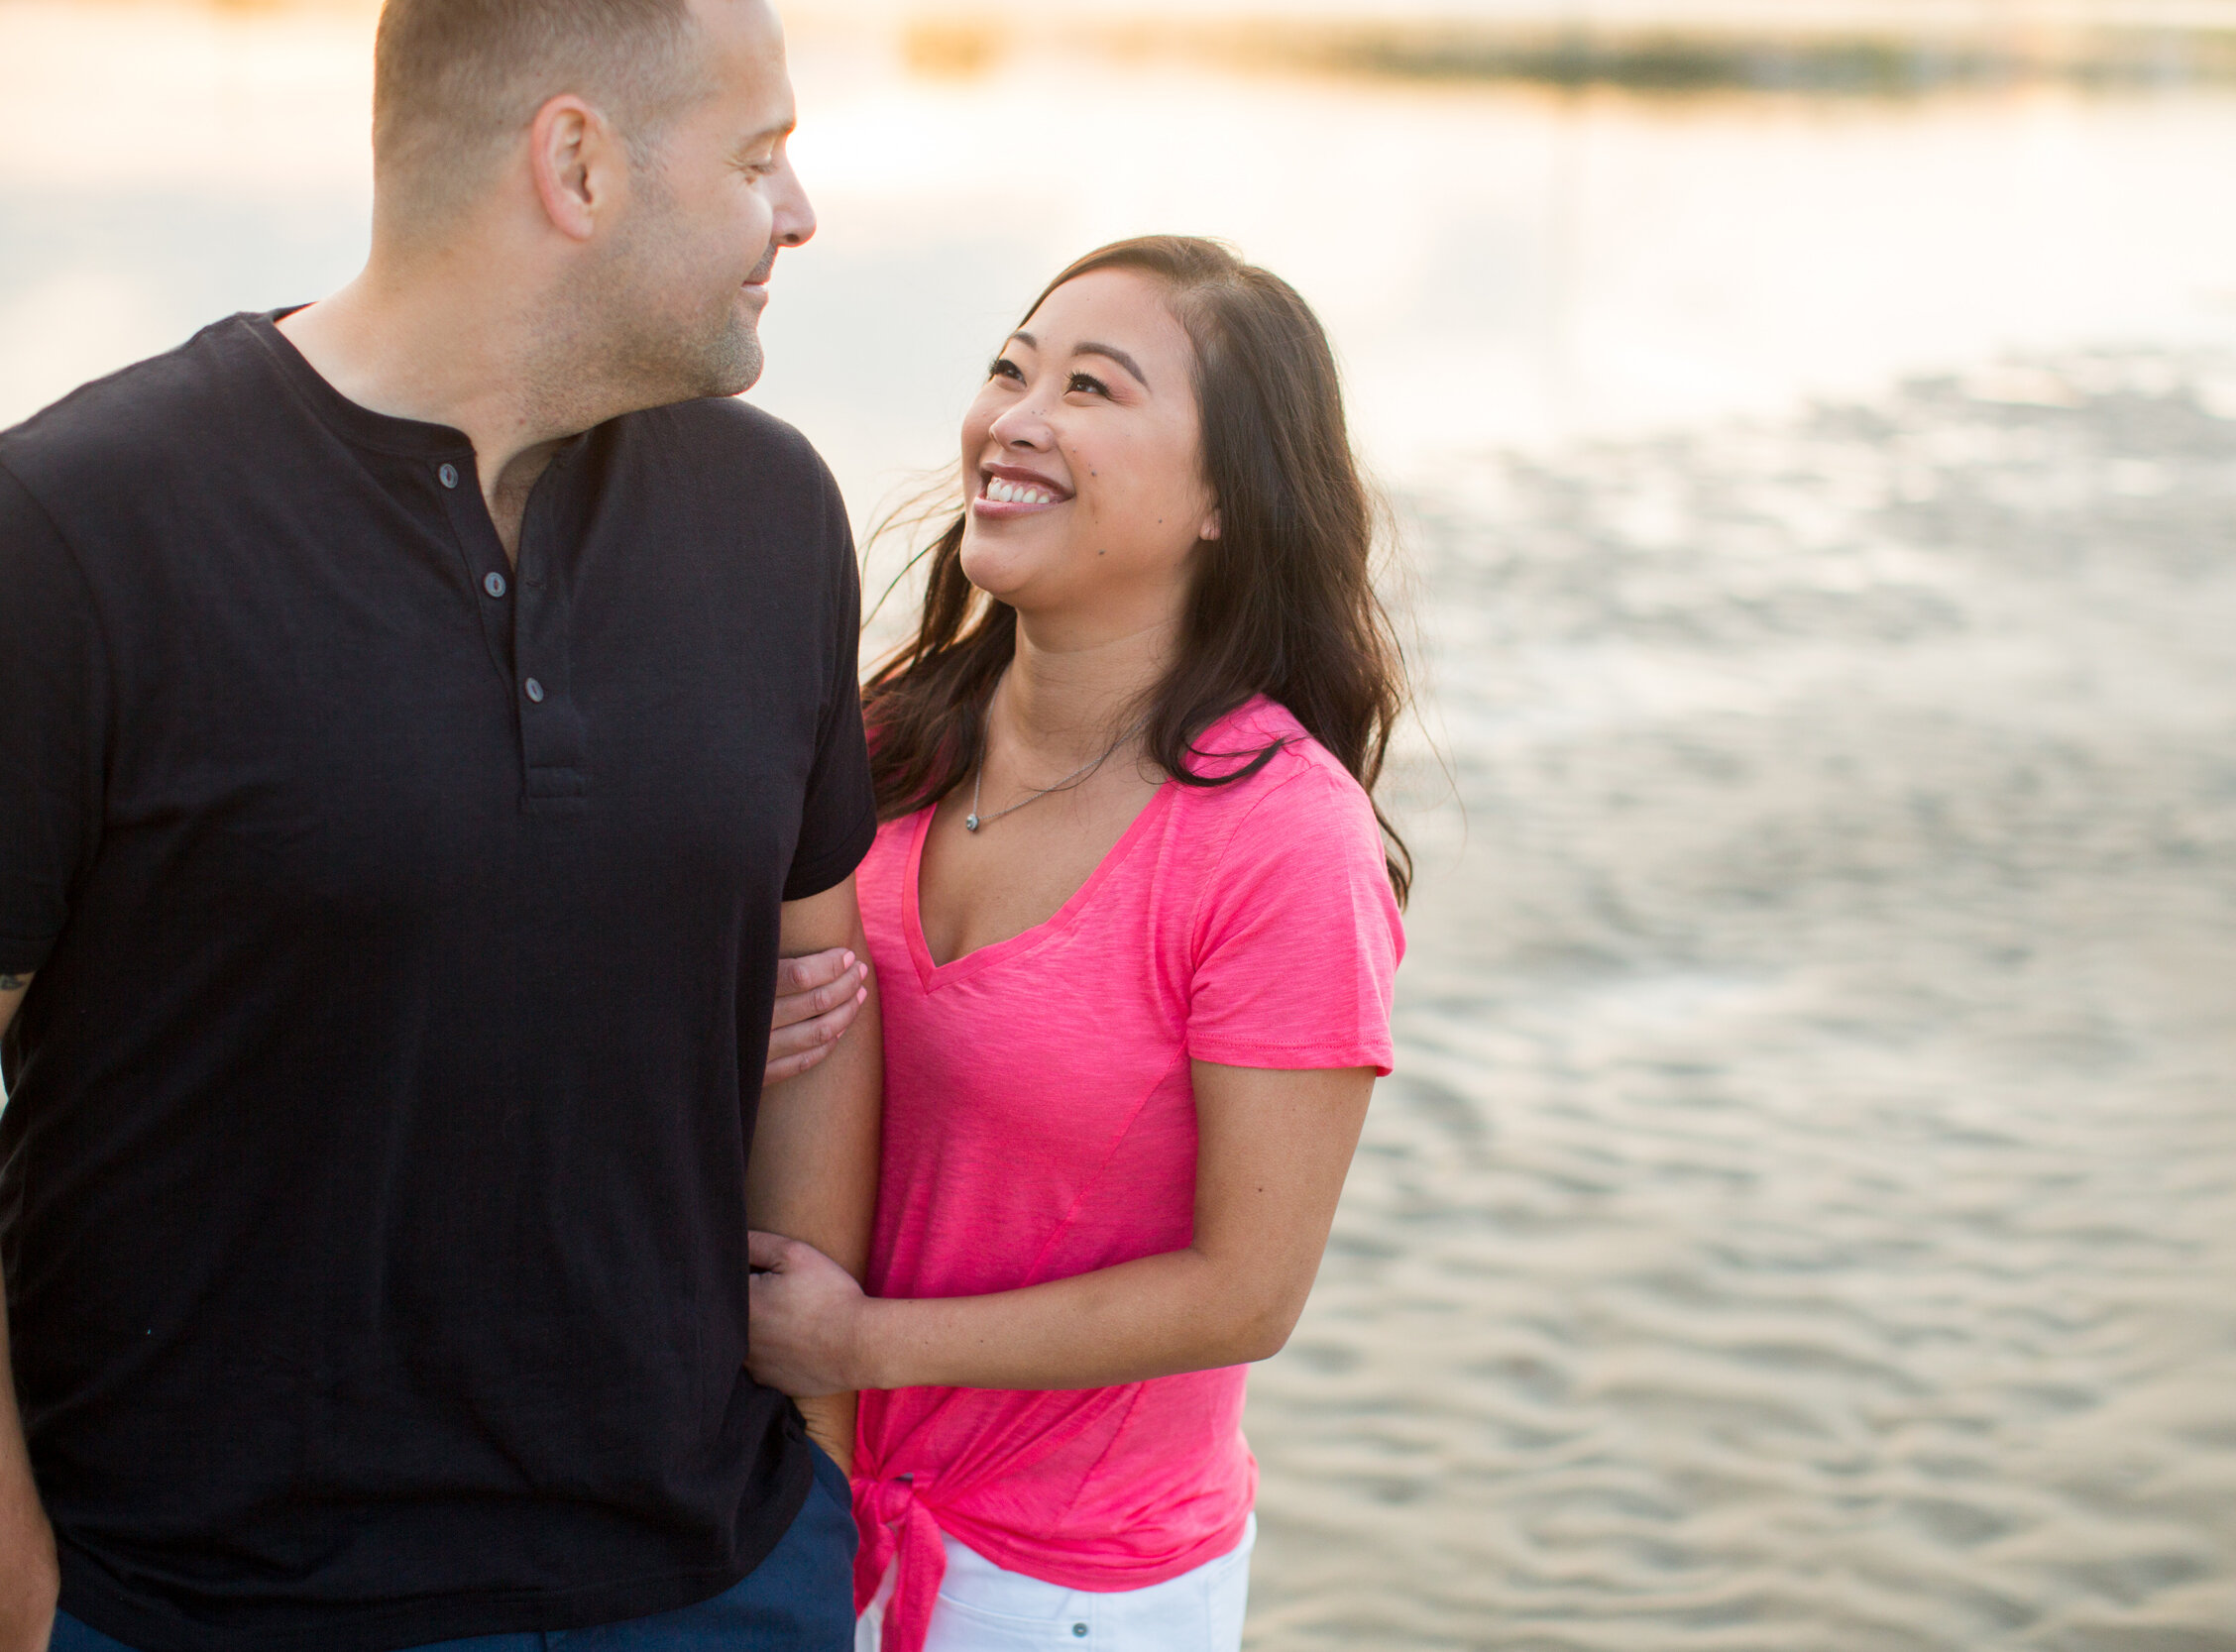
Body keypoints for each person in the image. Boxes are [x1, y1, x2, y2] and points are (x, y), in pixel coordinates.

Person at [0, 0, 880, 1647]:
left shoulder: (776, 513)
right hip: (202, 1602)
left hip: (711, 1585)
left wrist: (809, 1470)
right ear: (577, 164)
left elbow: (821, 987)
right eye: (759, 158)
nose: (801, 213)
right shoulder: (72, 529)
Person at [745, 236, 1411, 1652]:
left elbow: (1248, 1290)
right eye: (1011, 369)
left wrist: (863, 1347)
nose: (1017, 419)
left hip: (1072, 1594)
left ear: (1231, 496)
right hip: (790, 1520)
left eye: (1094, 388)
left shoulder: (1283, 842)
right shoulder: (882, 741)